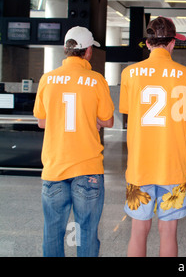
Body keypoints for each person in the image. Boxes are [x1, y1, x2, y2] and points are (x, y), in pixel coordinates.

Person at [119, 16, 186, 257]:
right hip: (172, 167)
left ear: (148, 43)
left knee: (138, 230)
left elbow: (131, 115)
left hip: (139, 166)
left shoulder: (130, 73)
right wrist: (171, 130)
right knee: (168, 231)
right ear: (173, 43)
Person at [33, 26, 115, 257]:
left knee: (52, 232)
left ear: (66, 49)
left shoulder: (47, 79)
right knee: (87, 232)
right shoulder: (96, 80)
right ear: (88, 51)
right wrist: (92, 120)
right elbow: (108, 120)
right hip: (87, 168)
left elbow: (42, 121)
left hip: (54, 168)